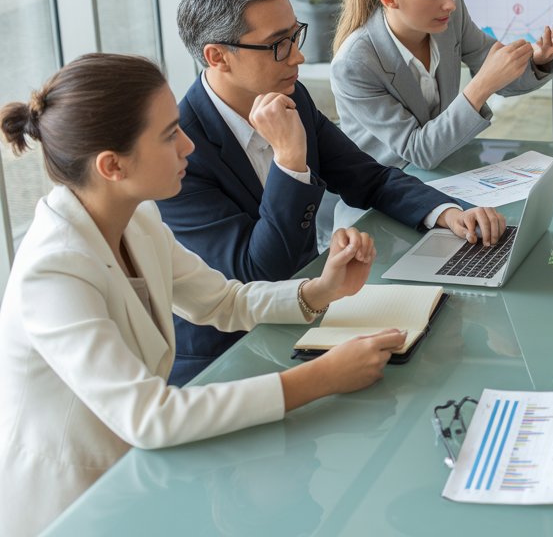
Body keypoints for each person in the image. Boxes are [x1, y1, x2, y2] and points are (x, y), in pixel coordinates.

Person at [0, 54, 403, 536]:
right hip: (72, 508)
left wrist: (323, 289)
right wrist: (321, 378)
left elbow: (223, 302)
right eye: (170, 134)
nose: (188, 144)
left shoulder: (140, 219)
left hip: (137, 480)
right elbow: (149, 416)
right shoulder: (54, 271)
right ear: (112, 166)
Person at [158, 0, 505, 385]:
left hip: (310, 317)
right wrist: (290, 159)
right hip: (228, 361)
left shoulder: (290, 96)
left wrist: (447, 213)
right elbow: (260, 275)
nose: (299, 55)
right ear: (218, 56)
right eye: (278, 44)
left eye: (295, 35)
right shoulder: (181, 154)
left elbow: (370, 178)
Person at [331, 0, 553, 171]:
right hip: (386, 190)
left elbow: (500, 73)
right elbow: (418, 151)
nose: (450, 3)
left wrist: (537, 60)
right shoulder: (354, 63)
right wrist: (481, 85)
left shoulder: (449, 20)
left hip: (445, 175)